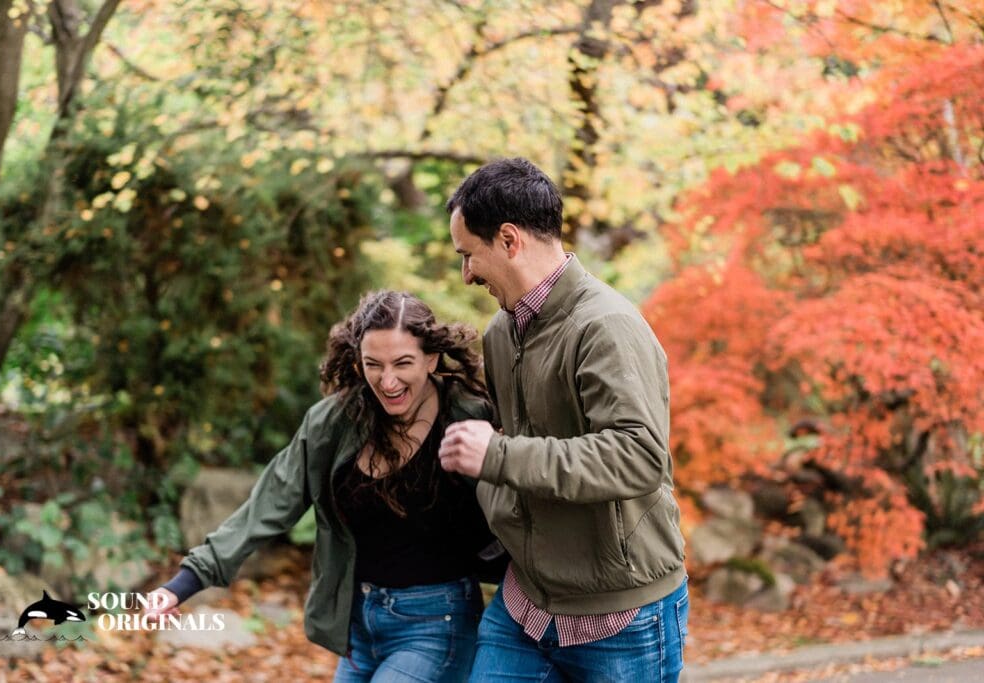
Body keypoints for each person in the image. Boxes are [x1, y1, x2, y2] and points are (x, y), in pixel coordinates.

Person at [145, 291, 501, 682]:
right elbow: (266, 506)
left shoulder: (469, 417)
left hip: (438, 623)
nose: (388, 380)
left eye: (403, 363)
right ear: (357, 361)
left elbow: (521, 503)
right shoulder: (334, 422)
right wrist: (182, 584)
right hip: (358, 626)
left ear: (431, 358)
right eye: (373, 364)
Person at [438, 158, 689, 682]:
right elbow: (509, 445)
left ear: (509, 240)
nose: (467, 275)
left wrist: (496, 457)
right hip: (523, 605)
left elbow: (638, 457)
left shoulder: (608, 326)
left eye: (469, 255)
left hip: (618, 620)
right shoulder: (500, 334)